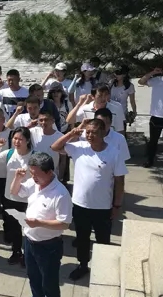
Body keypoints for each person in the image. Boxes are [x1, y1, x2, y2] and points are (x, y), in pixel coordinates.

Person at [51, 119, 127, 281]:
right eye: (88, 132)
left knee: (103, 240)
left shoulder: (114, 153)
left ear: (103, 133)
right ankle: (83, 265)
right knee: (82, 238)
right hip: (80, 205)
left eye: (94, 132)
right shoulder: (79, 147)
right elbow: (55, 147)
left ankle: (104, 268)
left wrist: (117, 205)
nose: (90, 135)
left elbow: (120, 182)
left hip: (103, 207)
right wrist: (71, 134)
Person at [11, 152, 72, 297]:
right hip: (30, 241)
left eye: (36, 173)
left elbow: (65, 223)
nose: (33, 177)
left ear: (49, 172)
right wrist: (17, 178)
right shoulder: (35, 183)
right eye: (31, 173)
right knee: (34, 277)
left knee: (49, 283)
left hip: (49, 246)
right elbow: (15, 192)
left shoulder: (60, 194)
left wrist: (39, 223)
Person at [0, 127, 34, 263]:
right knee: (14, 227)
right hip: (10, 197)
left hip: (28, 199)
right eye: (15, 138)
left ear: (27, 140)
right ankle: (16, 251)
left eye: (20, 139)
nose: (17, 142)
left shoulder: (34, 156)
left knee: (29, 229)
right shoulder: (9, 153)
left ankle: (28, 255)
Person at [30, 109, 64, 173]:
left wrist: (61, 176)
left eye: (46, 120)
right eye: (41, 120)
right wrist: (29, 126)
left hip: (52, 174)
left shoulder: (60, 136)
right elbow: (18, 134)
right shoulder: (32, 132)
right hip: (35, 173)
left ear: (53, 121)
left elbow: (63, 159)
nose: (43, 122)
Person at [109, 66, 136, 134]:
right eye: (115, 73)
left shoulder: (130, 86)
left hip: (122, 113)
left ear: (124, 74)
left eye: (118, 73)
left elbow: (132, 101)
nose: (116, 75)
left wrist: (134, 112)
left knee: (121, 134)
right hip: (110, 112)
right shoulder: (111, 83)